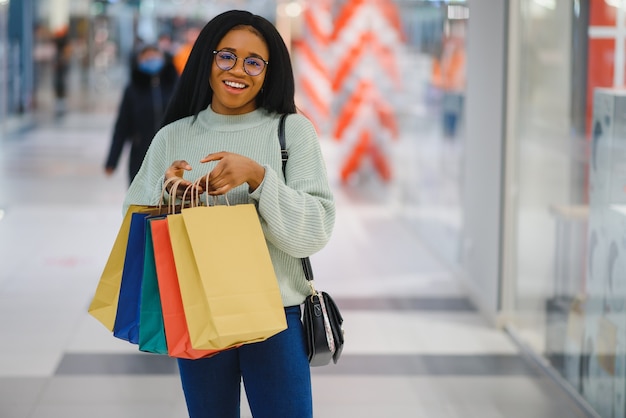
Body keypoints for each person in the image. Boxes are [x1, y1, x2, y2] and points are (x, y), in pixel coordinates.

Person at [122, 10, 335, 418]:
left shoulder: (292, 131)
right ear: (208, 58)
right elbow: (133, 227)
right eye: (227, 57)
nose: (238, 70)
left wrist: (259, 179)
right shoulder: (174, 136)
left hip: (277, 316)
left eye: (254, 61)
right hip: (200, 311)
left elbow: (314, 231)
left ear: (269, 72)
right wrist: (168, 197)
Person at [104, 45, 179, 184]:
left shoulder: (176, 84)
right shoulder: (132, 89)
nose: (151, 59)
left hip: (173, 154)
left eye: (155, 55)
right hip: (141, 155)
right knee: (141, 200)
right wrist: (112, 161)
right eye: (146, 56)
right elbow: (122, 126)